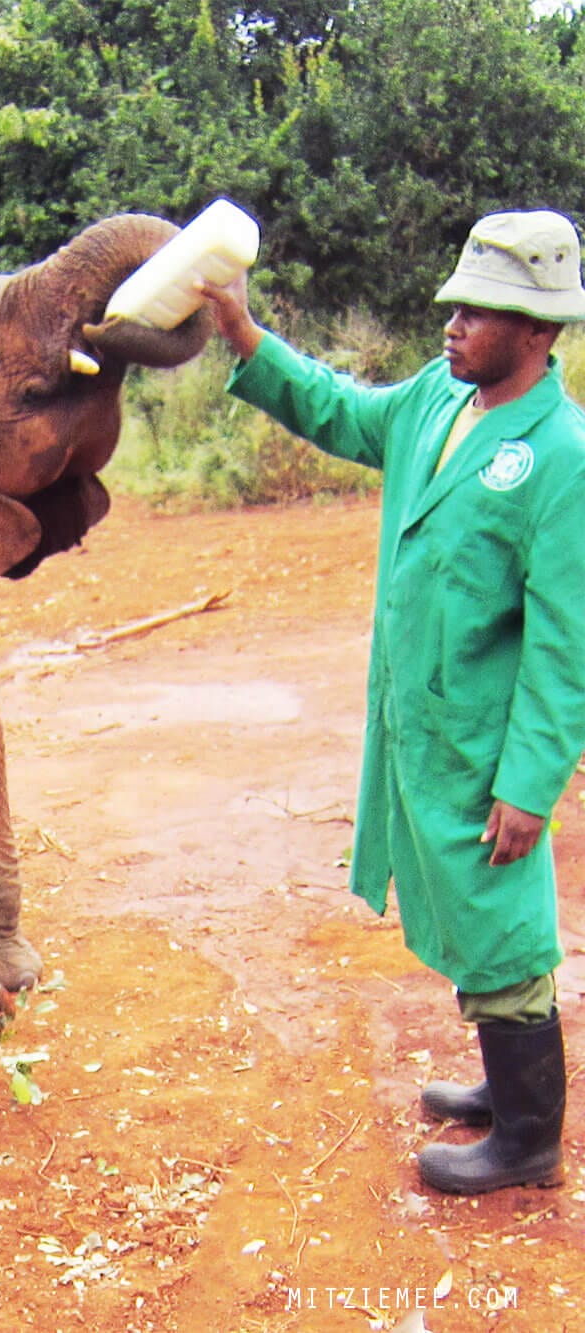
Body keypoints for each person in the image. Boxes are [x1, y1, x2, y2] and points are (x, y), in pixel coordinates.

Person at [200, 210, 585, 1195]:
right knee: (459, 907)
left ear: (538, 333)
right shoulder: (431, 400)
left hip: (484, 741)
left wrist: (531, 782)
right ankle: (505, 1092)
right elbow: (337, 409)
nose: (451, 321)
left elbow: (561, 642)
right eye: (452, 301)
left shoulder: (560, 455)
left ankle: (529, 1140)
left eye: (480, 309)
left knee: (499, 920)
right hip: (418, 722)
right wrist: (246, 339)